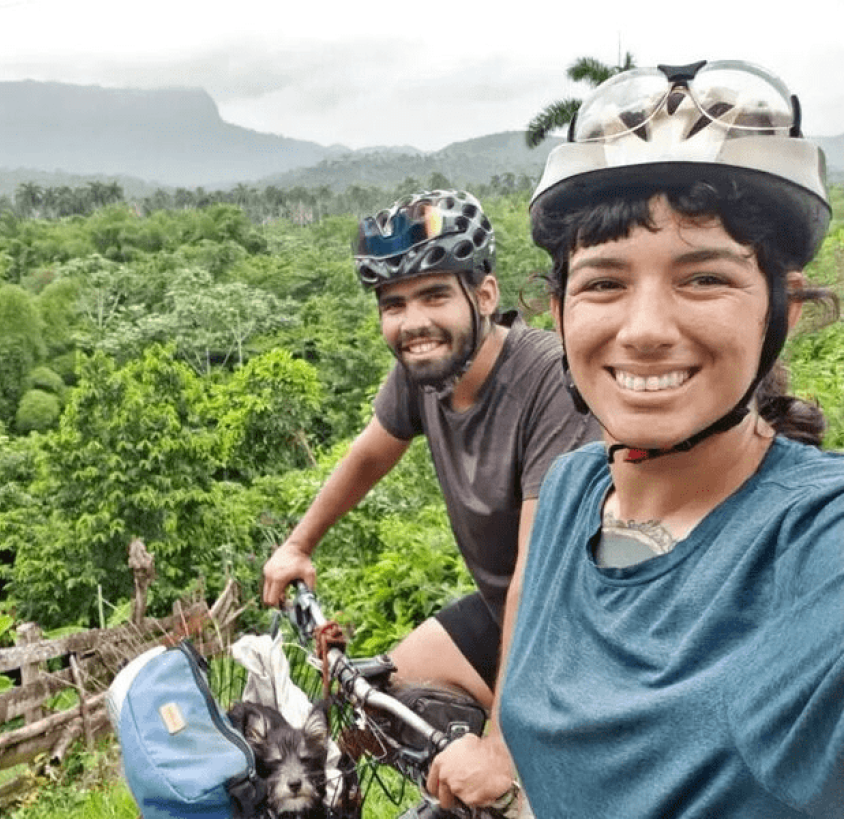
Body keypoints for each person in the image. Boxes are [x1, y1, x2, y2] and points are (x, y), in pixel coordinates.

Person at [489, 59, 843, 817]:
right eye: (604, 282)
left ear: (781, 308)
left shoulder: (818, 544)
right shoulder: (572, 491)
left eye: (704, 278)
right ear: (558, 311)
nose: (645, 331)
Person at [261, 189, 598, 719]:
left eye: (434, 296)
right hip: (498, 610)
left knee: (519, 782)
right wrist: (299, 546)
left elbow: (536, 579)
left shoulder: (550, 382)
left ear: (484, 295)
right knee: (378, 714)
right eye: (394, 305)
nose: (413, 322)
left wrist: (500, 748)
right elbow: (369, 455)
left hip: (579, 629)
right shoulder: (424, 373)